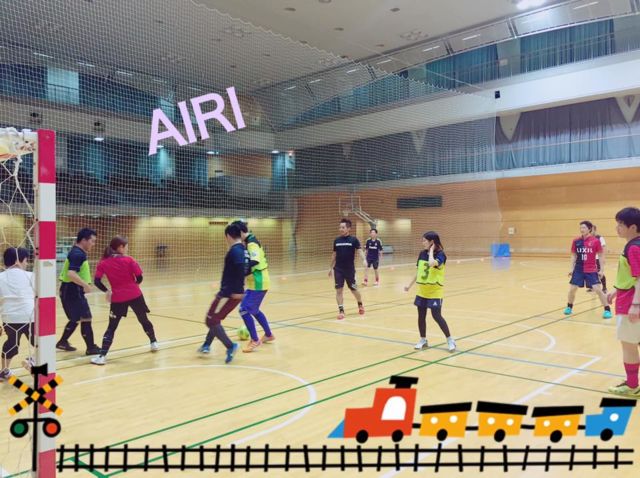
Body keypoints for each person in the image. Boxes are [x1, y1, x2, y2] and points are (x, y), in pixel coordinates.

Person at [90, 237, 158, 365]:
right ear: (120, 247)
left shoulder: (103, 262)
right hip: (135, 295)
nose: (127, 249)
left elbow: (97, 281)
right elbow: (139, 277)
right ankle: (153, 342)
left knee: (112, 327)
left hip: (118, 298)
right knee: (143, 319)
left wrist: (107, 291)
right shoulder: (129, 260)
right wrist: (133, 286)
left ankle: (102, 356)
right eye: (126, 246)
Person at [197, 223, 248, 363]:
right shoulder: (243, 250)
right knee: (216, 319)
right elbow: (246, 269)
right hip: (234, 293)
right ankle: (207, 344)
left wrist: (235, 290)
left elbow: (240, 269)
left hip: (229, 294)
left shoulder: (235, 251)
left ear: (228, 236)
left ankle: (230, 346)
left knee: (210, 320)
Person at [607, 207, 640, 398]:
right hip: (628, 297)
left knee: (629, 346)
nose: (617, 227)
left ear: (632, 227)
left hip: (630, 304)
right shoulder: (634, 245)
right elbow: (630, 276)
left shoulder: (633, 247)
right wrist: (616, 290)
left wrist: (635, 305)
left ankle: (632, 385)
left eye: (620, 224)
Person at [404, 231, 456, 352]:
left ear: (431, 242)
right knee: (421, 316)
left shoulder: (441, 255)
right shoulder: (422, 253)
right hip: (422, 291)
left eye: (424, 241)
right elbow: (419, 272)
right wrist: (409, 285)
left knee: (436, 316)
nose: (422, 243)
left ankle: (450, 340)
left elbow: (432, 263)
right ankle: (423, 340)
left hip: (435, 291)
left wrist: (431, 251)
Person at [232, 221, 275, 353]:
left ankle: (255, 340)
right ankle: (268, 335)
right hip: (255, 281)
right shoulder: (248, 241)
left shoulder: (251, 243)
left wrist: (242, 272)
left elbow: (255, 260)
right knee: (254, 310)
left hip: (259, 281)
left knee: (244, 309)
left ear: (241, 232)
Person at [56, 228, 100, 354]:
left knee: (75, 318)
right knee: (86, 318)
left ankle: (62, 342)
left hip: (69, 290)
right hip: (73, 291)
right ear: (84, 240)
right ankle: (91, 347)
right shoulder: (78, 254)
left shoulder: (76, 252)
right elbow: (71, 274)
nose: (93, 244)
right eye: (92, 241)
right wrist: (85, 285)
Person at [564, 221, 612, 319]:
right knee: (572, 289)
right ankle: (569, 307)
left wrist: (601, 270)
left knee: (598, 289)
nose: (582, 229)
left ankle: (607, 309)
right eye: (581, 228)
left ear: (589, 229)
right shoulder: (576, 241)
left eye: (584, 228)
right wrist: (571, 268)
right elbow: (573, 255)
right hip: (578, 269)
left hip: (591, 268)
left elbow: (601, 255)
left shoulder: (595, 241)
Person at [0, 248, 35, 381]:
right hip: (30, 317)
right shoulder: (31, 276)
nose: (27, 263)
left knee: (11, 344)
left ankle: (4, 371)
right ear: (17, 261)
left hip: (10, 318)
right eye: (25, 260)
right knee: (40, 344)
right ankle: (33, 362)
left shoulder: (0, 277)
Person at [329, 218, 367, 320]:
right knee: (339, 290)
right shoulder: (337, 240)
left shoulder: (353, 240)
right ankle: (341, 311)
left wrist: (364, 259)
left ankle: (360, 304)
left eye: (343, 227)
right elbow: (334, 254)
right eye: (340, 227)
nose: (341, 229)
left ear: (348, 228)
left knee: (354, 289)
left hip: (349, 270)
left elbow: (360, 251)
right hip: (338, 269)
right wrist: (330, 268)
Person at [588, 224, 608, 293]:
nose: (590, 231)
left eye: (591, 229)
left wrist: (603, 258)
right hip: (590, 258)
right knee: (590, 272)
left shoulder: (600, 238)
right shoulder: (588, 238)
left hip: (598, 258)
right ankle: (592, 287)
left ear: (595, 230)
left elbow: (603, 248)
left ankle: (604, 288)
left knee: (599, 272)